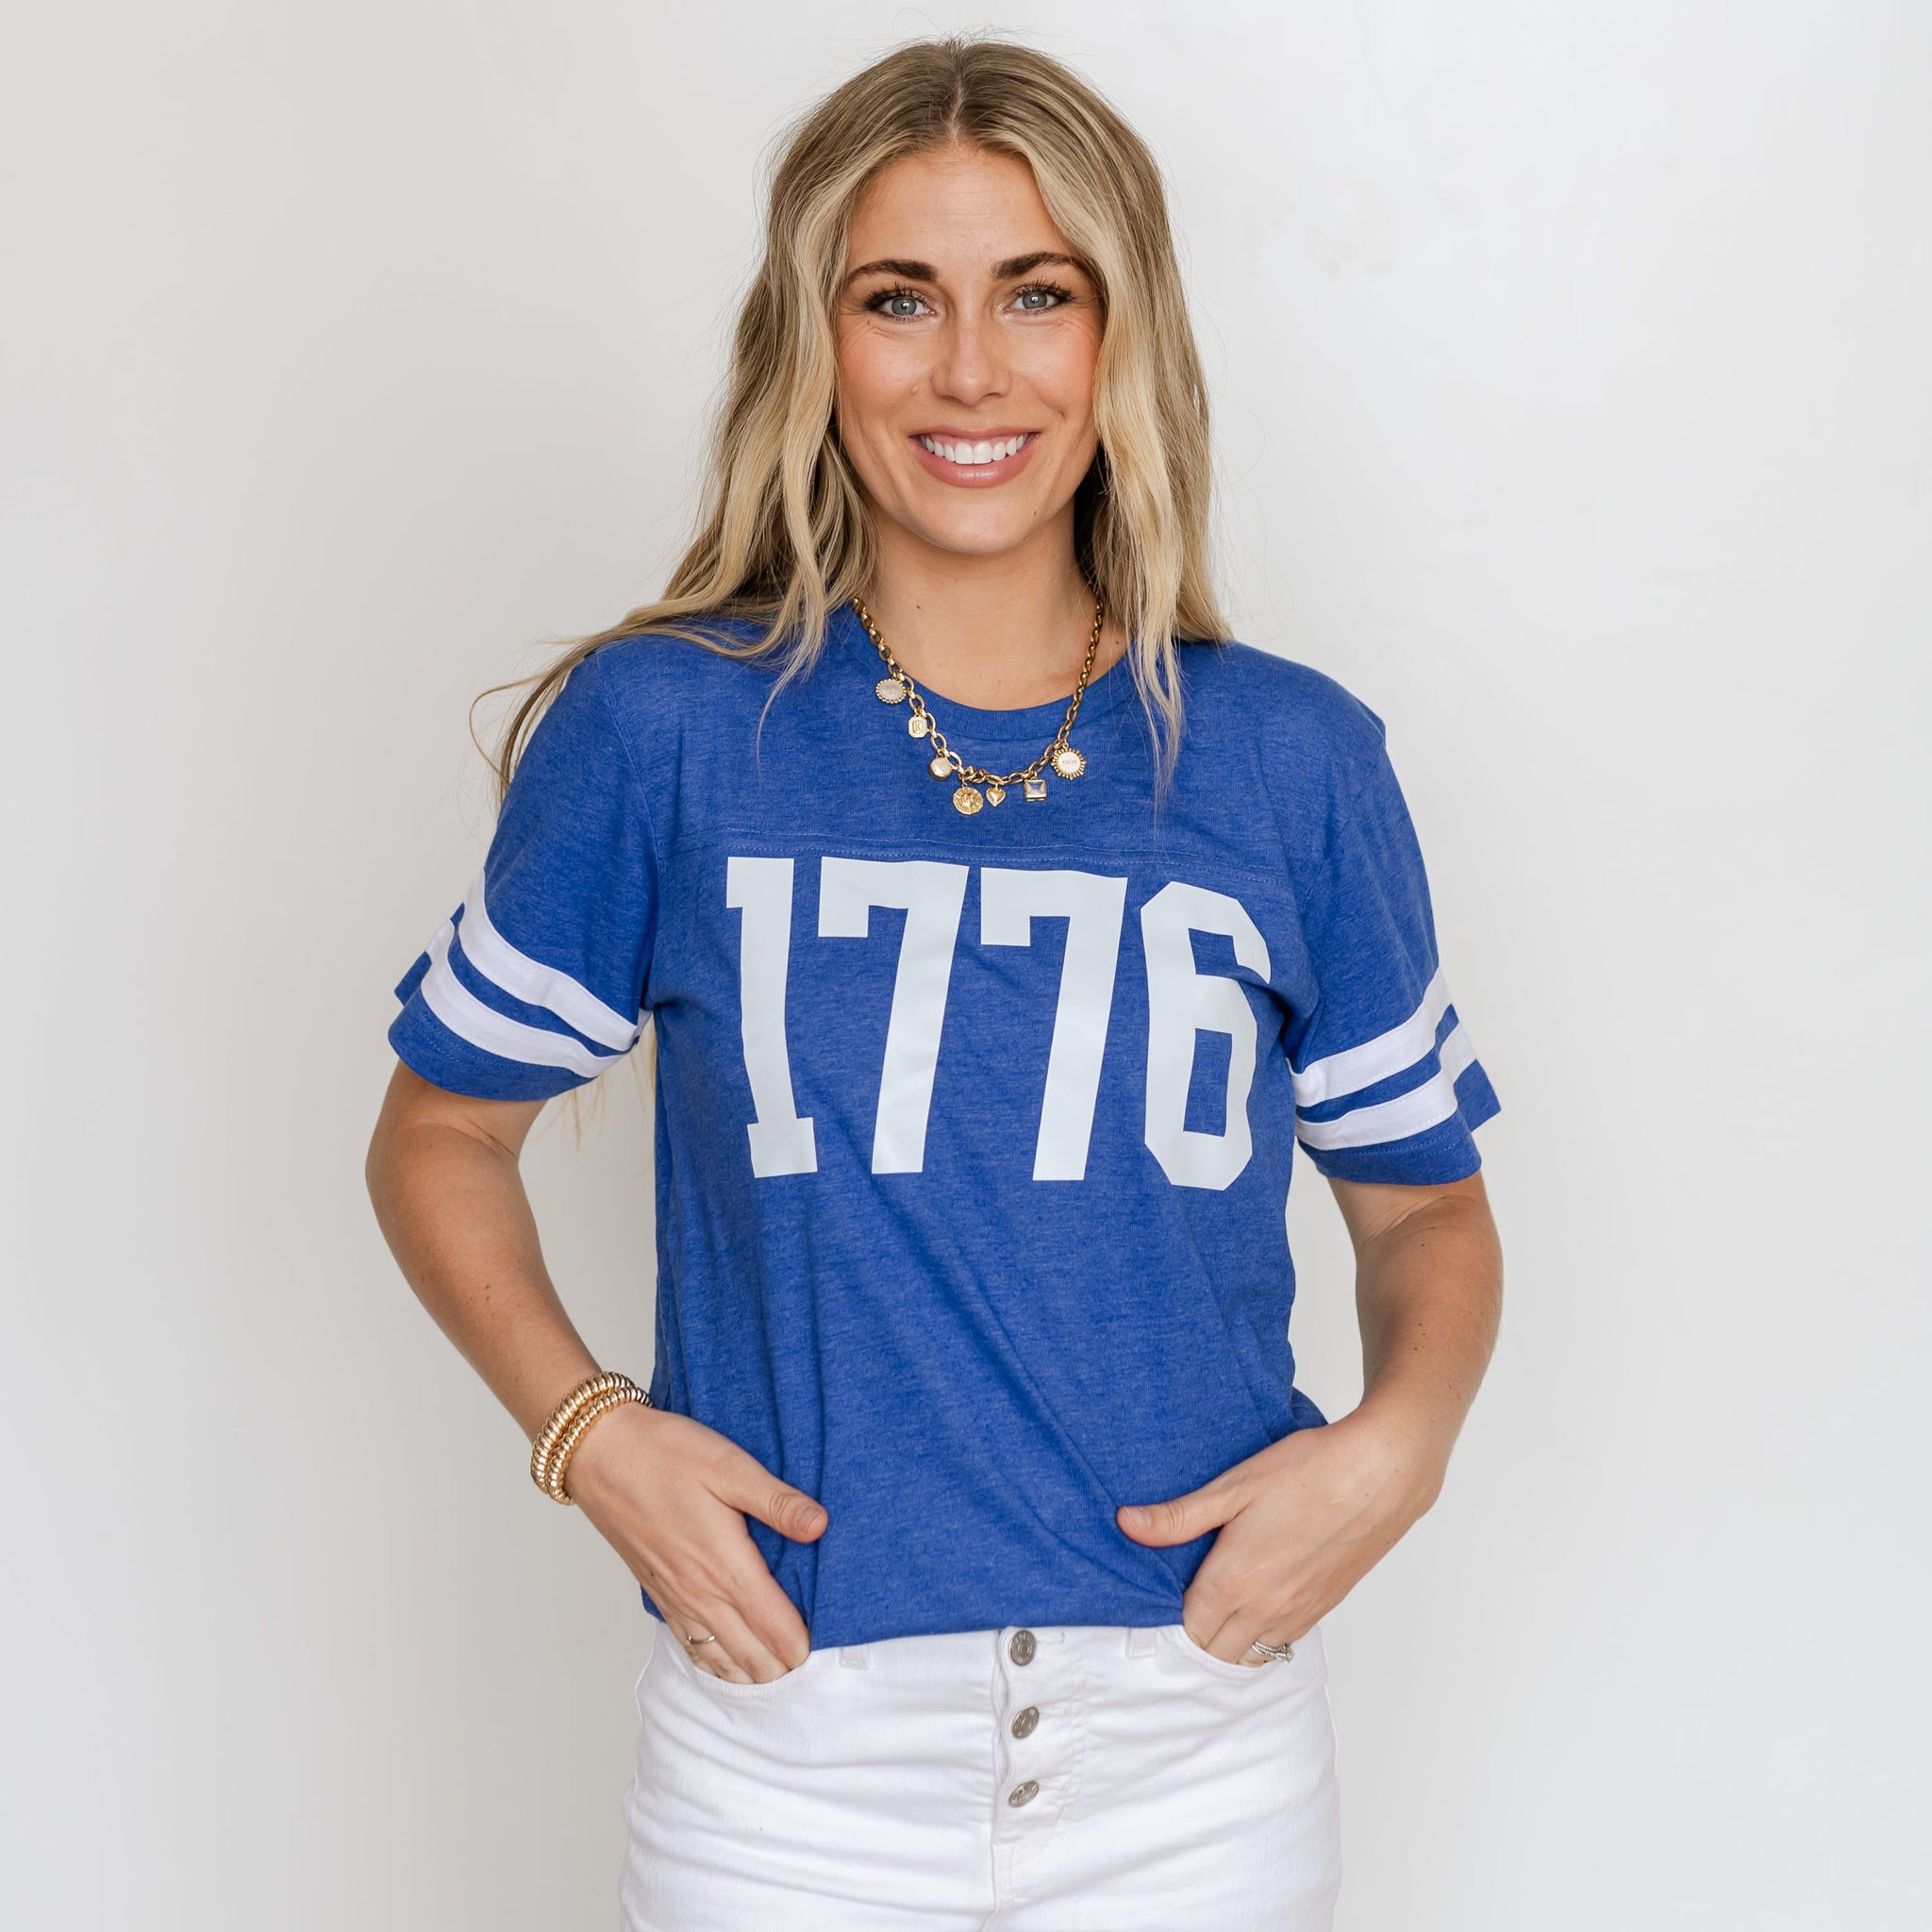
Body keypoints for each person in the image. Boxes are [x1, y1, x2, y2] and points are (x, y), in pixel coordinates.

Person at [365, 34, 1503, 1932]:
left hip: (1197, 1755)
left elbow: (1426, 1209)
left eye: (1036, 294)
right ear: (813, 344)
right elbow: (439, 1135)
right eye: (900, 298)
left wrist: (1403, 1447)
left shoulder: (1289, 760)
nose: (971, 370)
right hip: (782, 1761)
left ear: (1120, 338)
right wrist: (587, 1433)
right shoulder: (667, 732)